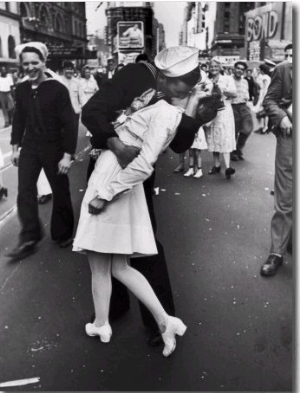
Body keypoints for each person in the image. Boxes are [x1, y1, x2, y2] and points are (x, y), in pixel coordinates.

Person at [81, 46, 219, 346]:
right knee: (108, 246)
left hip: (134, 175)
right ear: (166, 78)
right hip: (111, 160)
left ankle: (157, 320)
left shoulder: (186, 92)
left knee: (142, 245)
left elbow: (181, 145)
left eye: (194, 78)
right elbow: (92, 111)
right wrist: (117, 145)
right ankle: (110, 313)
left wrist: (193, 107)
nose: (191, 84)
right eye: (186, 80)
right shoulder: (133, 75)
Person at [6, 42, 77, 261]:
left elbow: (70, 123)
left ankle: (62, 233)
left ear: (43, 62)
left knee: (60, 190)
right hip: (30, 146)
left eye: (34, 62)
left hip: (54, 146)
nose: (30, 67)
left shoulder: (57, 88)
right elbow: (19, 120)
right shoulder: (22, 88)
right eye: (26, 63)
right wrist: (15, 147)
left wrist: (67, 155)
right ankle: (30, 236)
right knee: (25, 191)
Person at [260, 43, 293, 277]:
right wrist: (281, 117)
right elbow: (269, 101)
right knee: (285, 197)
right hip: (290, 138)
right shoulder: (283, 69)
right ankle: (277, 251)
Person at [205, 57, 237, 179]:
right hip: (212, 111)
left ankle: (228, 167)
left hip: (224, 110)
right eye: (211, 66)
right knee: (214, 135)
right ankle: (216, 165)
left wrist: (222, 89)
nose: (213, 68)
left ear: (220, 68)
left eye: (216, 66)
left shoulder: (227, 79)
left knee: (225, 135)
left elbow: (234, 93)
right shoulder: (207, 80)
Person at [230, 61, 254, 161]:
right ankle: (233, 152)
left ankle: (239, 148)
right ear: (234, 69)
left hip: (243, 107)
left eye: (242, 69)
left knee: (247, 128)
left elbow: (247, 95)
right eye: (238, 68)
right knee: (234, 131)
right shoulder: (229, 80)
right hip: (232, 107)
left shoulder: (245, 81)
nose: (239, 70)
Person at [61, 61, 84, 133]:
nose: (69, 71)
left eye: (71, 69)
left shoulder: (77, 82)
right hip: (61, 113)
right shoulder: (58, 81)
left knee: (73, 134)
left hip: (74, 113)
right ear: (63, 70)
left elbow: (82, 97)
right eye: (67, 69)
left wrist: (81, 108)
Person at [253, 64, 271, 135]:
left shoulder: (265, 77)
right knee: (264, 112)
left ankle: (265, 127)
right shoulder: (266, 77)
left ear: (262, 70)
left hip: (264, 95)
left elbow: (265, 88)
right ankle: (264, 127)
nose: (259, 71)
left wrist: (264, 99)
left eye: (260, 70)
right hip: (263, 95)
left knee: (265, 112)